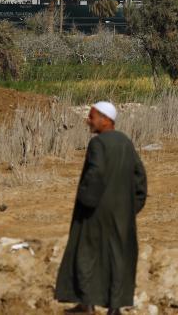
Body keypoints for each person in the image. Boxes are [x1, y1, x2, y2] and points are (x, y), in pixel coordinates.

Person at [55, 101, 147, 315]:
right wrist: (132, 207)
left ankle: (86, 303)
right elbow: (140, 176)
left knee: (86, 254)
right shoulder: (125, 142)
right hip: (121, 214)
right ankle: (114, 308)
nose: (88, 120)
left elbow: (95, 173)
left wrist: (85, 201)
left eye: (92, 116)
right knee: (118, 258)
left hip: (95, 212)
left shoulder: (98, 143)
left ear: (106, 120)